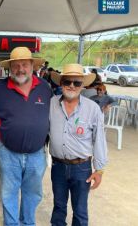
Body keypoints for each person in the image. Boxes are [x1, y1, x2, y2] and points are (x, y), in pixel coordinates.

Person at [0, 47, 52, 226]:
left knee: (33, 194)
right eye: (15, 66)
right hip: (8, 152)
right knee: (9, 194)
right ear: (9, 68)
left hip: (37, 153)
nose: (20, 69)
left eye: (24, 65)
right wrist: (5, 127)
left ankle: (28, 223)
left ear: (32, 66)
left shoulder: (45, 88)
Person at [49, 64, 108, 226]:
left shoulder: (93, 109)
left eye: (77, 83)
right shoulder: (51, 104)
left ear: (83, 85)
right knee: (59, 207)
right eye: (67, 82)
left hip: (82, 168)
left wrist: (100, 169)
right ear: (61, 83)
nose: (72, 86)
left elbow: (99, 139)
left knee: (80, 211)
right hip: (58, 166)